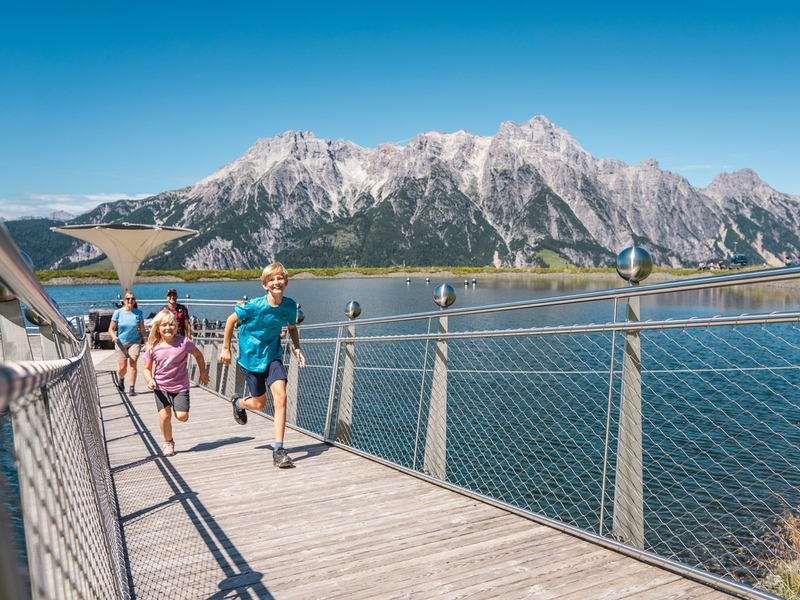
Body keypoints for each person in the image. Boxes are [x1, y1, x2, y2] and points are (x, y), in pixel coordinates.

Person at [219, 263, 306, 468]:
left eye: (280, 278)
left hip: (273, 356)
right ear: (265, 285)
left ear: (286, 282)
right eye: (271, 280)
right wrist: (225, 348)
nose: (276, 282)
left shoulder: (290, 306)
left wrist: (297, 348)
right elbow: (231, 321)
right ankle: (238, 403)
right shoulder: (254, 306)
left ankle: (279, 449)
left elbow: (292, 327)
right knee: (259, 404)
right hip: (250, 359)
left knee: (281, 396)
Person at [143, 309, 210, 457]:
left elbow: (198, 356)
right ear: (158, 328)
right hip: (160, 386)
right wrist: (150, 380)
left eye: (171, 324)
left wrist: (203, 373)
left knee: (182, 416)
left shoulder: (184, 342)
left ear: (176, 326)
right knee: (164, 416)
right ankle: (168, 442)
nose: (168, 328)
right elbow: (146, 369)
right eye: (164, 325)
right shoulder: (153, 346)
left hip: (180, 386)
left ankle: (177, 409)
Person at [109, 291, 147, 396]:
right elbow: (111, 329)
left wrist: (147, 343)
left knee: (133, 363)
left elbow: (142, 330)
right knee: (122, 367)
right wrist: (113, 336)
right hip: (120, 342)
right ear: (124, 301)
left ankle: (131, 388)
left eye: (132, 299)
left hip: (134, 342)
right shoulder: (118, 313)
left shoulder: (138, 313)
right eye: (128, 299)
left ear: (135, 301)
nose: (130, 300)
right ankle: (121, 379)